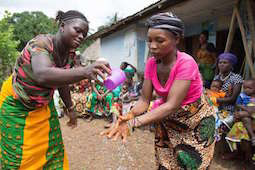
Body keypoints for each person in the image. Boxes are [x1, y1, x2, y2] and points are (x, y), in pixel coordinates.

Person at [102, 12, 216, 169]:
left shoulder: (186, 63)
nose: (153, 46)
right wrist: (129, 116)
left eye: (160, 40)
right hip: (167, 120)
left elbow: (172, 105)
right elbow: (144, 100)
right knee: (166, 164)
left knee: (192, 164)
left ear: (176, 39)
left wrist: (134, 123)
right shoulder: (151, 64)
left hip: (195, 122)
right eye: (149, 40)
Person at [0, 10, 111, 169]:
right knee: (18, 157)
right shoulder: (41, 44)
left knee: (53, 150)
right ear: (63, 26)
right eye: (77, 30)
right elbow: (42, 74)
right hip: (16, 104)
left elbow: (62, 79)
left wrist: (70, 107)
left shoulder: (70, 54)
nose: (81, 37)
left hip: (43, 104)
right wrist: (86, 71)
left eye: (84, 34)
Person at [225, 78, 255, 163]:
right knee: (240, 125)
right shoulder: (242, 95)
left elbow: (251, 110)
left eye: (249, 88)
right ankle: (242, 154)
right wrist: (237, 114)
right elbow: (237, 106)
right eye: (245, 87)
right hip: (246, 120)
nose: (246, 90)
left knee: (244, 116)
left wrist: (244, 111)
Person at [213, 53, 243, 135]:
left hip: (230, 111)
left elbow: (233, 98)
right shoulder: (216, 77)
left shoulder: (236, 78)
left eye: (225, 63)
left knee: (219, 128)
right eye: (220, 62)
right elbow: (212, 92)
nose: (221, 65)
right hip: (216, 109)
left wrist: (215, 99)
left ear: (231, 65)